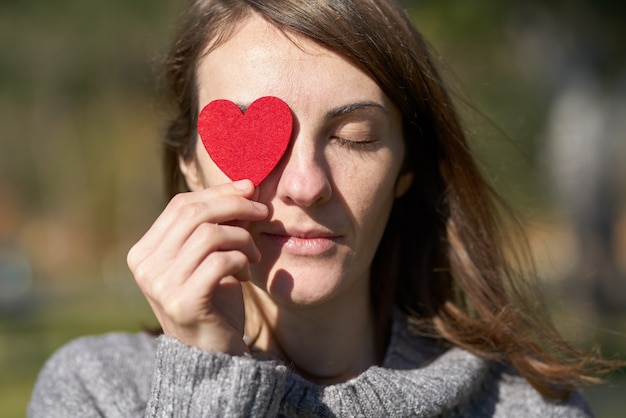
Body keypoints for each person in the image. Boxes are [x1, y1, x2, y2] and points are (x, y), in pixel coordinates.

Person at [28, 0, 614, 416]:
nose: (306, 185)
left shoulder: (525, 408)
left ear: (407, 166)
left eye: (355, 135)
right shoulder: (96, 392)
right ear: (190, 161)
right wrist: (204, 381)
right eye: (263, 143)